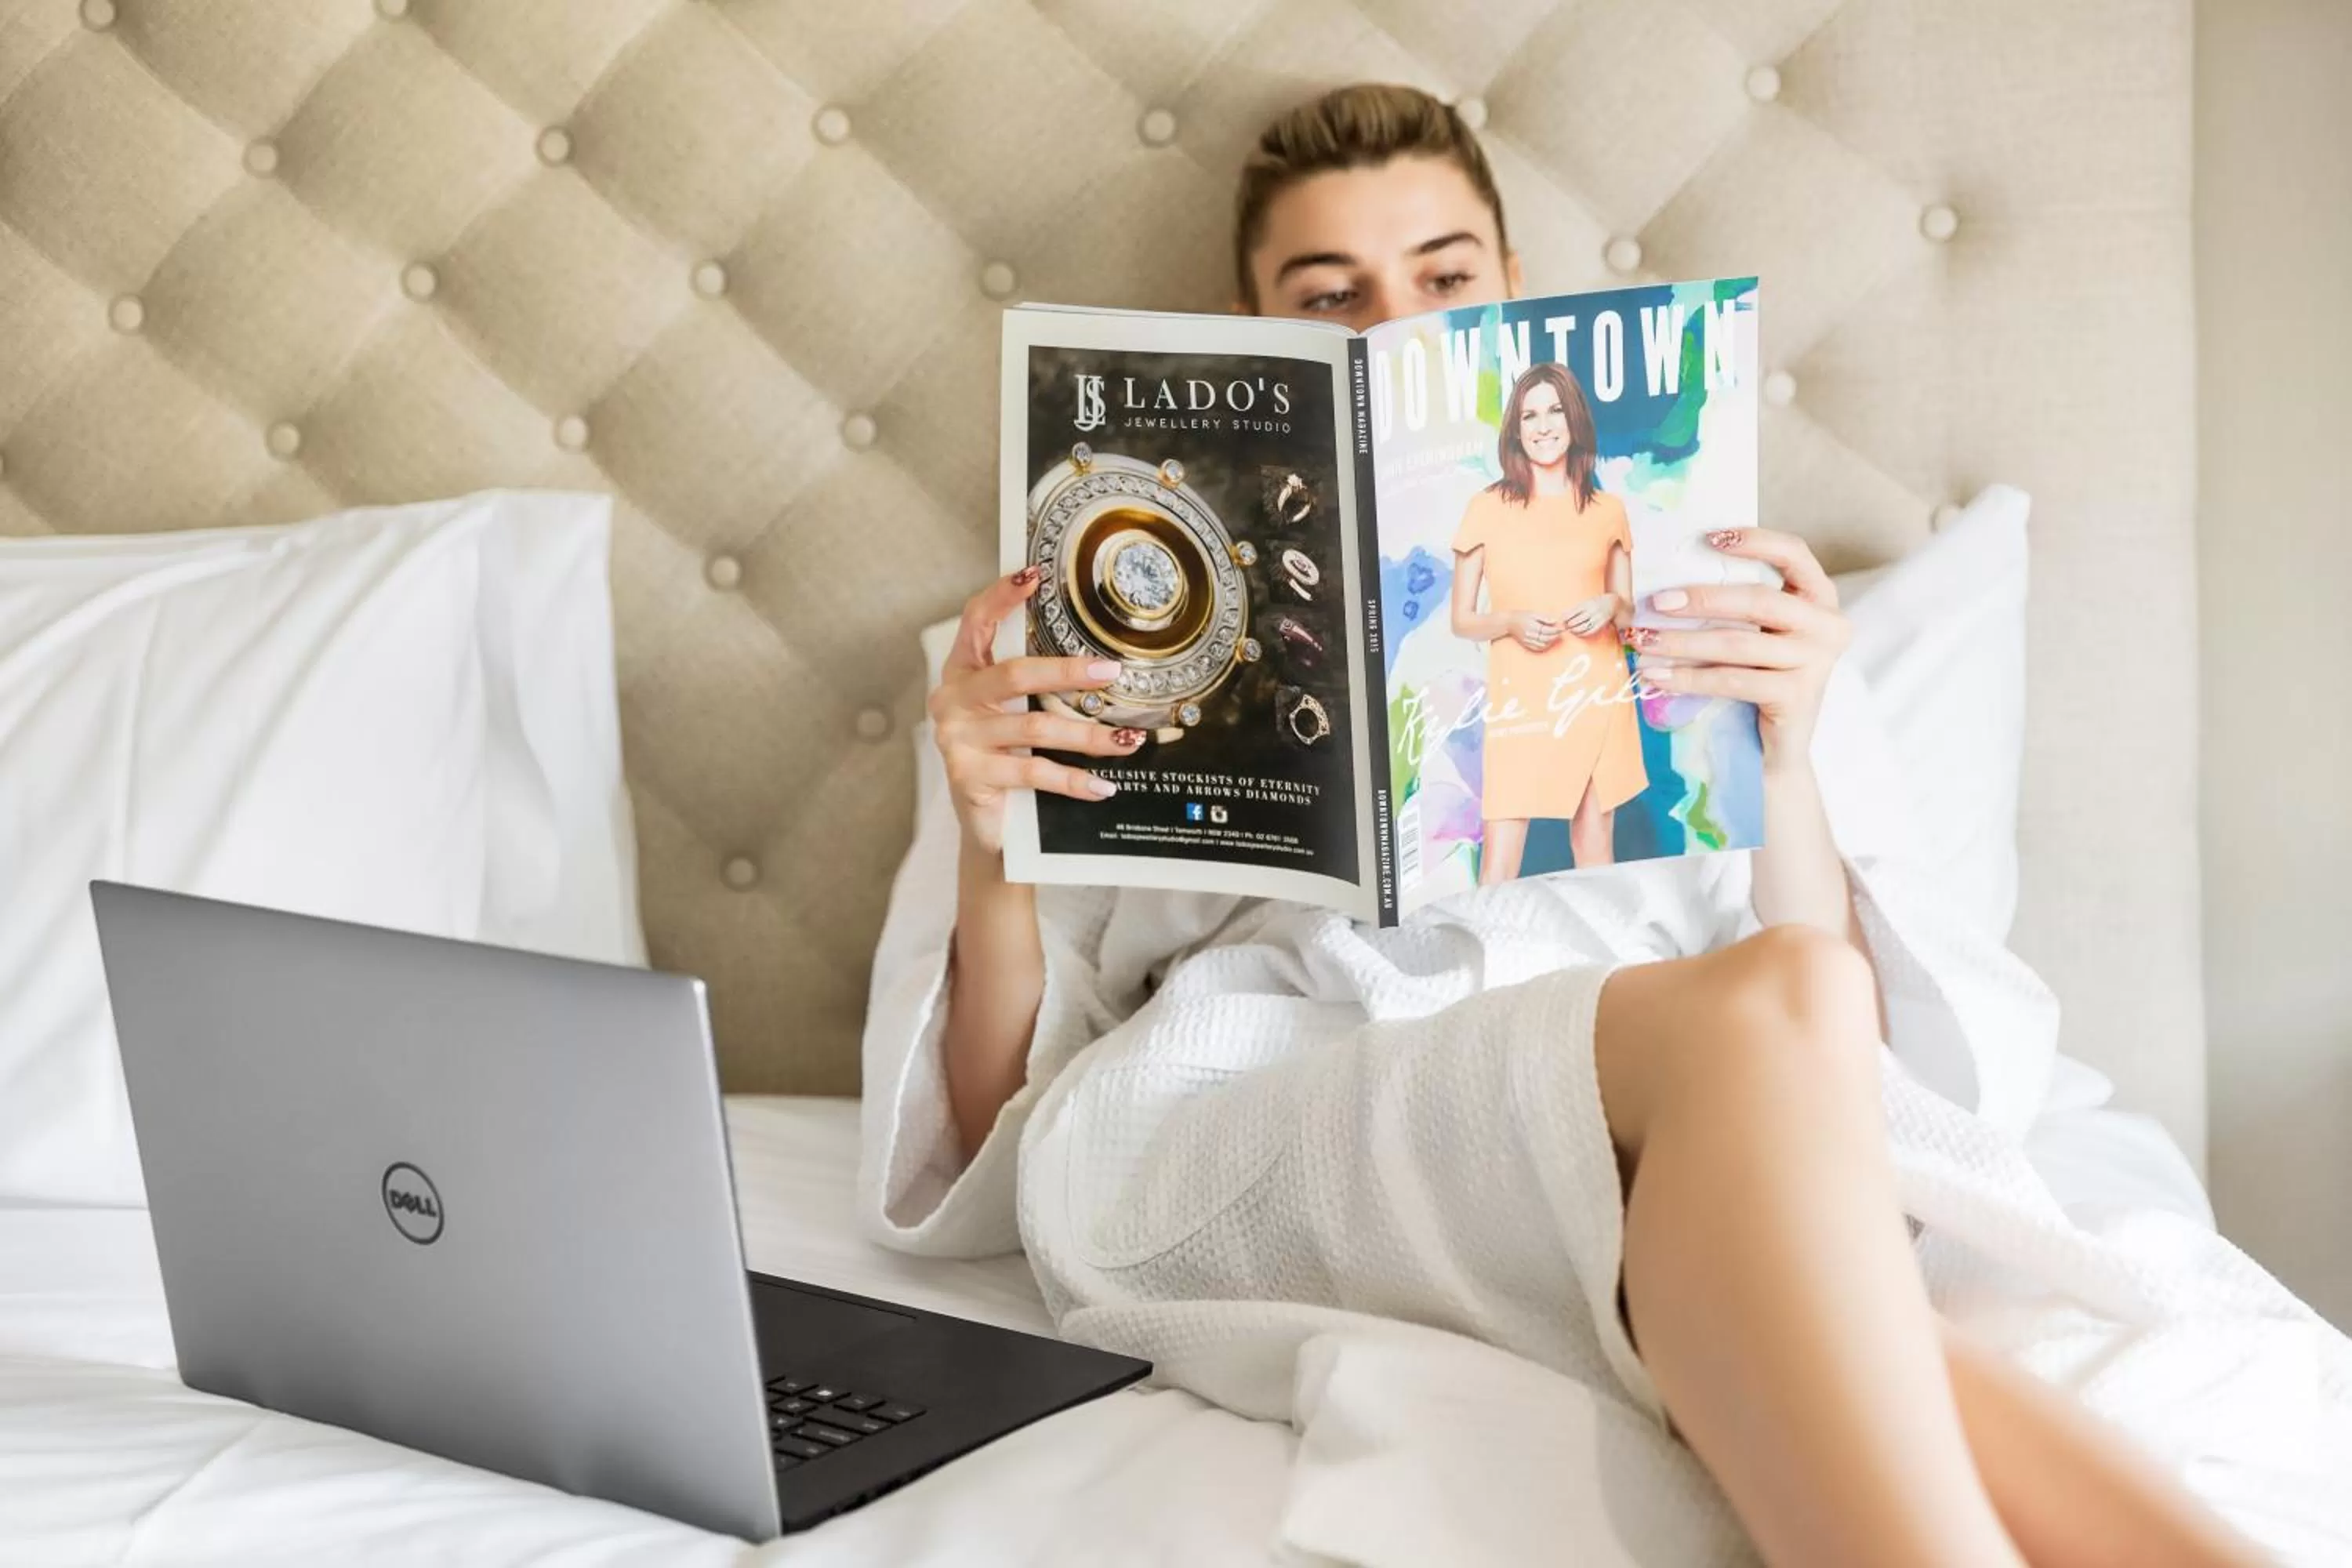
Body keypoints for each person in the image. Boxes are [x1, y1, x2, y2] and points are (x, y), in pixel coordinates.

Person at [862, 83, 2278, 1566]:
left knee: (1778, 1109)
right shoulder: (1064, 639)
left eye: (1443, 277)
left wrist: (1786, 762)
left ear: (1515, 294)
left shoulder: (1719, 591)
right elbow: (988, 1128)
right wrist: (990, 838)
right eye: (1332, 295)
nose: (1394, 322)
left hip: (1662, 1075)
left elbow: (1885, 1050)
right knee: (1779, 1047)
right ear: (1254, 330)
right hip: (1250, 1091)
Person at [1450, 361, 1646, 881]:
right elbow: (1462, 620)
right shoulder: (1486, 507)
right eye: (1529, 415)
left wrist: (1608, 605)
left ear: (1574, 419)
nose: (1543, 426)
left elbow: (1627, 611)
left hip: (1596, 691)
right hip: (1523, 700)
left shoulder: (1608, 509)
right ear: (1515, 430)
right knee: (1499, 864)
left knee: (1595, 852)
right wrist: (1511, 622)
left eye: (1554, 411)